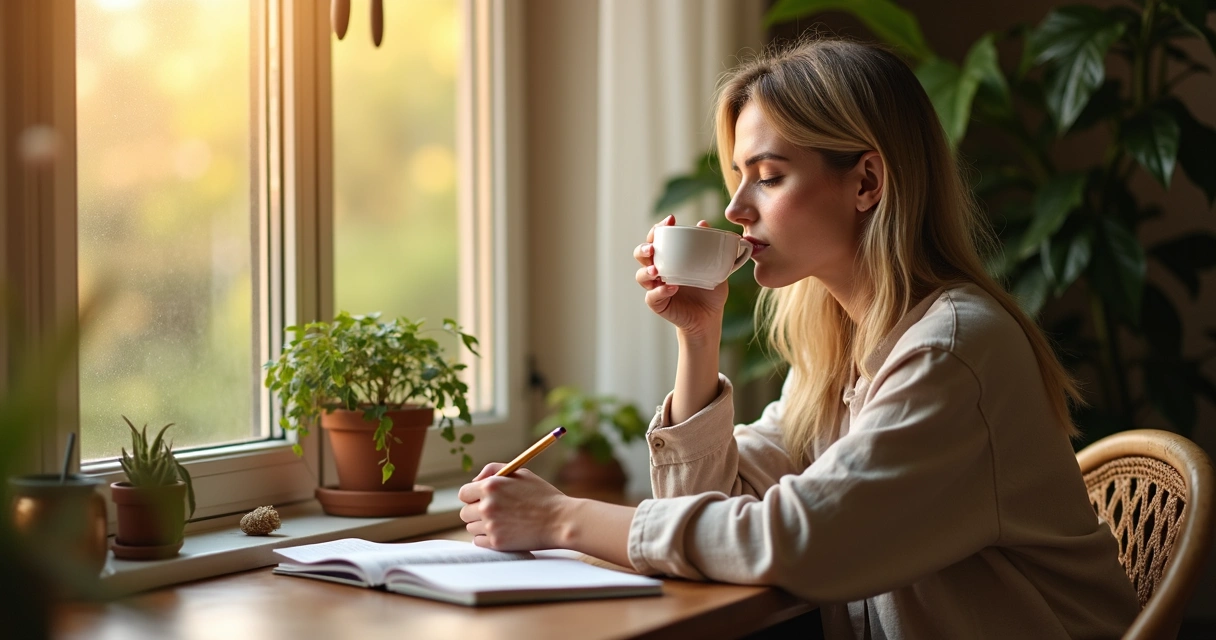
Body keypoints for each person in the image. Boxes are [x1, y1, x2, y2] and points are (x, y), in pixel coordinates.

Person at [458, 38, 1140, 638]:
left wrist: (561, 520)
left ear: (867, 181)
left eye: (769, 176)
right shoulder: (842, 350)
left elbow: (797, 540)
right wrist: (698, 340)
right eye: (738, 179)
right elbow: (712, 513)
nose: (733, 210)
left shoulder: (954, 349)